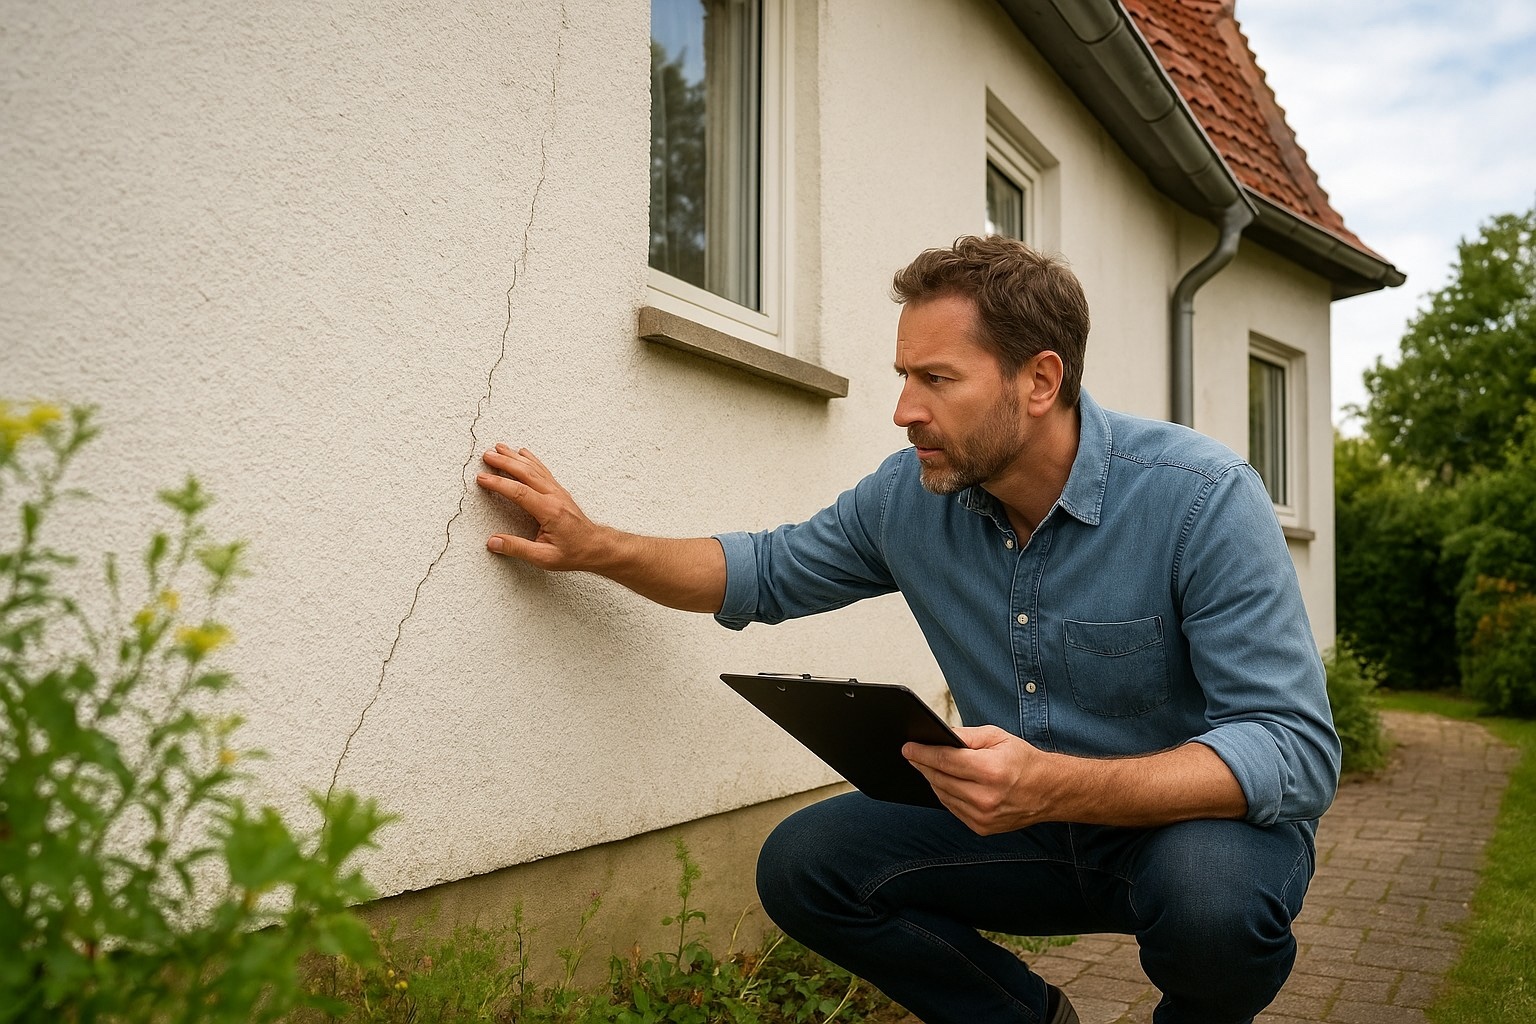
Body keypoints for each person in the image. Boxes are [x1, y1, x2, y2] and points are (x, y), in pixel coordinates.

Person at [475, 236, 1341, 1024]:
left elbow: (1292, 748)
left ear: (1040, 381)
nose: (902, 410)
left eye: (937, 379)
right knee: (805, 865)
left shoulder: (1200, 498)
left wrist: (1054, 785)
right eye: (902, 376)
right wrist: (598, 547)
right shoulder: (907, 499)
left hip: (1189, 832)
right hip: (1023, 826)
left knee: (1213, 908)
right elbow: (764, 571)